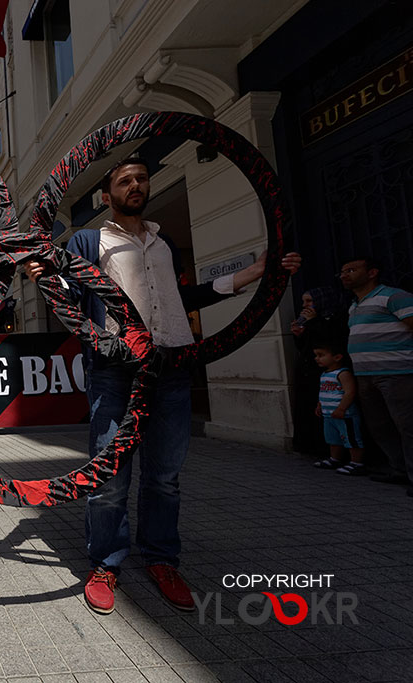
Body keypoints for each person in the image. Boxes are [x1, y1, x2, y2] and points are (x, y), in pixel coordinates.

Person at [26, 157, 301, 615]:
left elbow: (184, 296)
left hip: (172, 366)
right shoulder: (88, 240)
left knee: (165, 477)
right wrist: (46, 278)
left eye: (141, 178)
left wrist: (255, 273)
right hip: (116, 370)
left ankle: (161, 559)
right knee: (109, 477)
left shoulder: (163, 241)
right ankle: (106, 563)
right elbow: (73, 302)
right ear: (105, 195)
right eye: (124, 180)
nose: (135, 185)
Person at [339, 257, 413, 495]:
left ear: (372, 272)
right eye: (342, 271)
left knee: (408, 425)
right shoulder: (354, 305)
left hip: (397, 373)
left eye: (351, 270)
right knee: (380, 426)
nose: (345, 275)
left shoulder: (394, 296)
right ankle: (399, 469)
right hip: (365, 375)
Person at [290, 287, 347, 456]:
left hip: (328, 372)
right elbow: (306, 348)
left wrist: (314, 322)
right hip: (308, 370)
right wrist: (299, 335)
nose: (305, 306)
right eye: (304, 302)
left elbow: (330, 341)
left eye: (309, 301)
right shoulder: (308, 321)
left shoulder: (333, 318)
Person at [310, 339, 365, 475]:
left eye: (321, 355)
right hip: (329, 414)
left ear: (337, 357)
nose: (317, 359)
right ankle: (335, 458)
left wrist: (342, 408)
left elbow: (350, 392)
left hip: (344, 414)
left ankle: (356, 462)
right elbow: (324, 391)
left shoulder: (343, 373)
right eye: (316, 355)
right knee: (333, 439)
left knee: (351, 438)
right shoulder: (325, 374)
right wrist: (320, 405)